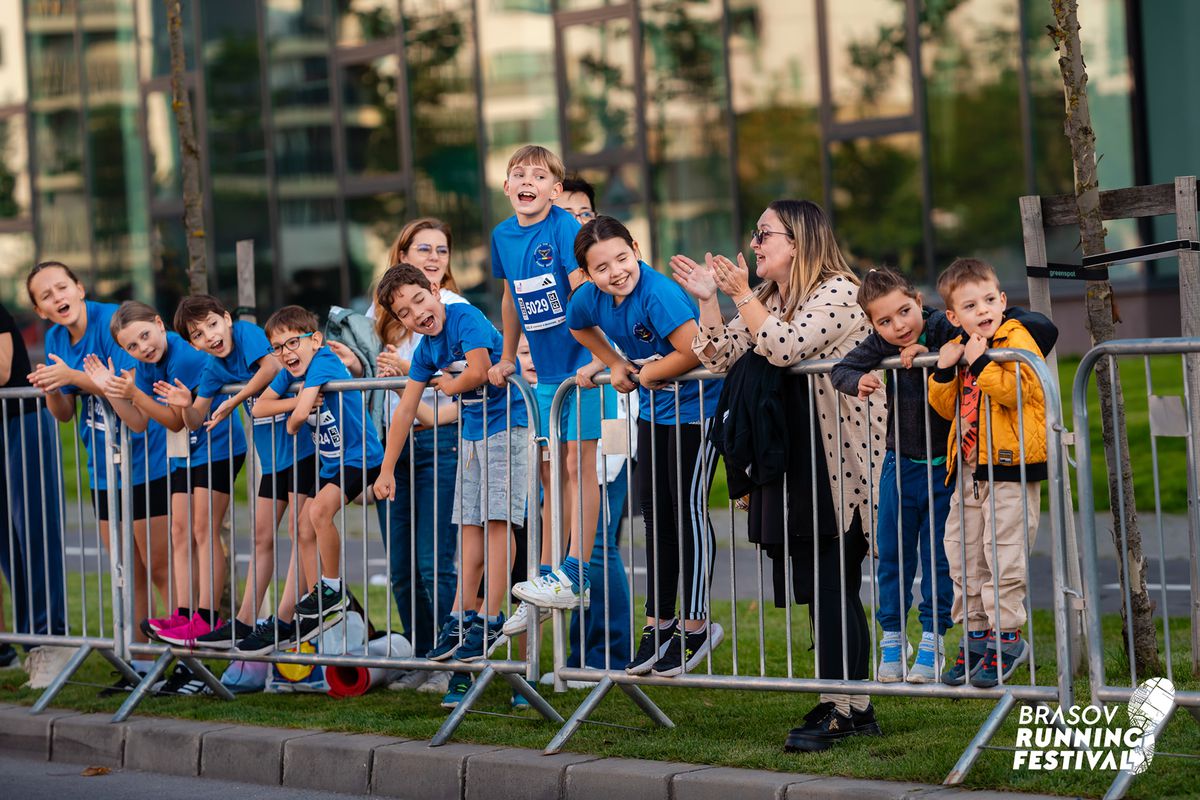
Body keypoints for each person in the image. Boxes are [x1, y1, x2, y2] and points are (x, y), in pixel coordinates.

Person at [673, 199, 885, 752]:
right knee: (824, 582)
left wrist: (742, 295)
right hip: (797, 459)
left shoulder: (839, 292)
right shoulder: (770, 297)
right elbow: (720, 357)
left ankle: (843, 707)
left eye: (764, 233)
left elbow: (785, 348)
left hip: (841, 463)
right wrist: (711, 301)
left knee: (833, 579)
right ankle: (851, 705)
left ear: (798, 241)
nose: (755, 242)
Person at [568, 216, 724, 676]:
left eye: (622, 258)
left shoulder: (658, 293)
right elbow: (578, 326)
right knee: (655, 514)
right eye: (601, 267)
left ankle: (696, 626)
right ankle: (659, 625)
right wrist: (613, 362)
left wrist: (650, 371)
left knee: (687, 511)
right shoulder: (589, 298)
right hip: (655, 412)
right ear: (587, 274)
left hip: (699, 409)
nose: (616, 271)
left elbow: (694, 350)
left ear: (636, 249)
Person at [373, 265, 529, 692]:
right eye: (404, 312)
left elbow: (478, 371)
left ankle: (490, 617)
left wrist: (447, 386)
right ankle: (461, 618)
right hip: (473, 435)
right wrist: (386, 469)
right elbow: (406, 409)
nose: (417, 314)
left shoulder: (465, 318)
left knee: (498, 521)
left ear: (435, 290)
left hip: (508, 427)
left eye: (419, 300)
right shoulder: (427, 349)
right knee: (469, 528)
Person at [26, 261, 171, 690]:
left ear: (80, 287)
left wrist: (73, 376)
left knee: (159, 566)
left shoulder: (113, 322)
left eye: (61, 287)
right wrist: (52, 388)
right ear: (40, 310)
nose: (57, 297)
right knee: (127, 568)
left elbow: (127, 386)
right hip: (103, 468)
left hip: (147, 458)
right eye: (46, 296)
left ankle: (186, 660)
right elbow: (65, 414)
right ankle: (141, 663)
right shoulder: (55, 338)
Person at [89, 301, 248, 650]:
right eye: (132, 346)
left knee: (203, 530)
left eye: (145, 336)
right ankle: (183, 613)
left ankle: (207, 618)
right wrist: (113, 391)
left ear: (160, 324)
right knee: (180, 531)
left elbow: (175, 420)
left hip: (216, 445)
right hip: (183, 451)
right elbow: (138, 422)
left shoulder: (183, 356)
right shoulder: (145, 366)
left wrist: (135, 394)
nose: (143, 347)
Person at [928, 257, 1056, 688]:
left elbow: (1019, 389)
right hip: (968, 467)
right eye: (970, 306)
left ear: (1002, 299)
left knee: (1003, 554)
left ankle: (1008, 637)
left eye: (988, 300)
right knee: (963, 553)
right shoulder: (962, 344)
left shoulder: (1015, 337)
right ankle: (976, 635)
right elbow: (945, 407)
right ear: (953, 316)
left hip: (1009, 468)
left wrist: (981, 363)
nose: (982, 310)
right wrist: (944, 369)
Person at [487, 145, 602, 618]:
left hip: (584, 369)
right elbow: (511, 298)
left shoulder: (564, 226)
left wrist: (599, 358)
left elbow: (583, 292)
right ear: (506, 187)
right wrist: (507, 356)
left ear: (555, 190)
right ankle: (548, 575)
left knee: (578, 464)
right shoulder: (502, 235)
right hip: (545, 374)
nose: (527, 181)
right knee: (550, 473)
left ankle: (576, 572)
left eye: (538, 176)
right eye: (519, 174)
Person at [173, 295, 319, 655]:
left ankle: (284, 619)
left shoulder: (245, 333)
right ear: (192, 344)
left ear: (226, 318)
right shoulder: (213, 369)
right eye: (198, 334)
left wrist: (234, 401)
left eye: (212, 324)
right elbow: (197, 418)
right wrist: (185, 406)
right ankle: (244, 621)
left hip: (302, 451)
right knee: (261, 537)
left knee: (299, 533)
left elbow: (270, 368)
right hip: (272, 461)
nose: (210, 336)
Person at [830, 269, 956, 683]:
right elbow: (841, 369)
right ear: (873, 324)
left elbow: (966, 339)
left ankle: (933, 641)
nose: (899, 326)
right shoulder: (882, 343)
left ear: (918, 301)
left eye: (904, 312)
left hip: (944, 467)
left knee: (938, 558)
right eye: (885, 321)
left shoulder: (940, 324)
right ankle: (893, 639)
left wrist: (929, 349)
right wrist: (860, 379)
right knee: (891, 555)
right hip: (899, 465)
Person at [366, 219, 465, 694]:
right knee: (402, 569)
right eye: (424, 249)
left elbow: (468, 382)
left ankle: (452, 660)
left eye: (442, 250)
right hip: (394, 443)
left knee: (433, 563)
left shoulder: (455, 307)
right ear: (402, 254)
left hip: (439, 442)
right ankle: (423, 658)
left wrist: (411, 373)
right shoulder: (382, 311)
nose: (434, 258)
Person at [256, 306, 385, 633]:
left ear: (315, 340)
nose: (286, 353)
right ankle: (320, 595)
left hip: (360, 457)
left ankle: (331, 586)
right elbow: (260, 408)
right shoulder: (292, 373)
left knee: (318, 513)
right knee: (303, 525)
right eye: (277, 348)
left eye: (292, 343)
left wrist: (294, 418)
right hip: (332, 462)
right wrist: (294, 404)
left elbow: (299, 418)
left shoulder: (324, 360)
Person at [0, 299, 65, 680]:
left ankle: (51, 639)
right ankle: (32, 643)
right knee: (7, 544)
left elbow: (3, 369)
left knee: (35, 532)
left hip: (20, 422)